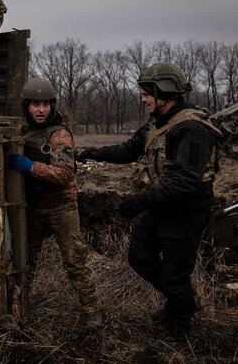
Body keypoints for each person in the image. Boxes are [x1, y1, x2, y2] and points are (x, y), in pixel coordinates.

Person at [76, 62, 222, 352]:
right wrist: (94, 152)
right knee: (140, 255)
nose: (142, 99)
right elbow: (130, 149)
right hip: (163, 206)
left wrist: (141, 201)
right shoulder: (158, 122)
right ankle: (179, 301)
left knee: (175, 273)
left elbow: (185, 181)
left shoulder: (192, 129)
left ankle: (179, 333)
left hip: (186, 212)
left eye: (147, 93)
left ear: (165, 92)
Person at [7, 77, 102, 328]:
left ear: (52, 106)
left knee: (75, 259)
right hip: (33, 204)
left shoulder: (60, 135)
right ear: (26, 106)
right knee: (24, 261)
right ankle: (19, 308)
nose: (40, 110)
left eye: (45, 105)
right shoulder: (22, 132)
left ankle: (92, 310)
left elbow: (64, 174)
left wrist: (29, 166)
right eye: (35, 104)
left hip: (61, 205)